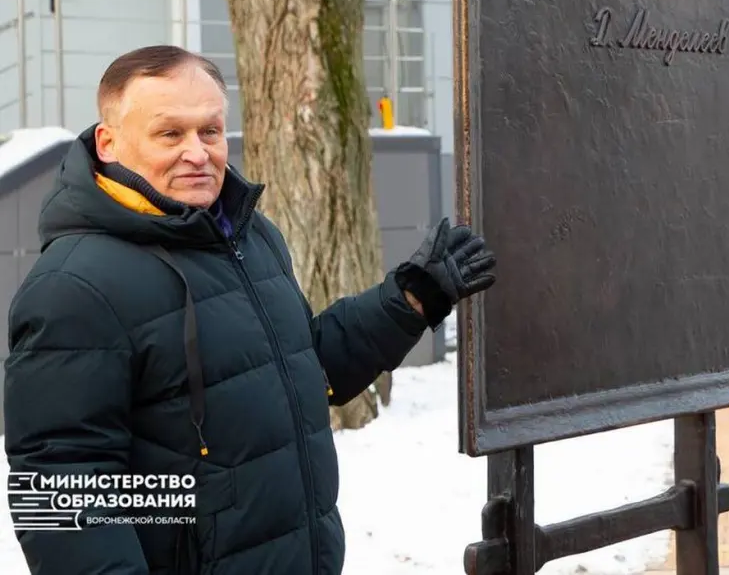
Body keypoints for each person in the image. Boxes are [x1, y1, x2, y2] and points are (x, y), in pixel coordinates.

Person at [4, 45, 497, 574]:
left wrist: (411, 300)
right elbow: (63, 489)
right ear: (108, 142)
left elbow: (301, 369)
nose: (197, 152)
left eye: (210, 131)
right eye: (170, 133)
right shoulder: (73, 285)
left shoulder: (249, 236)